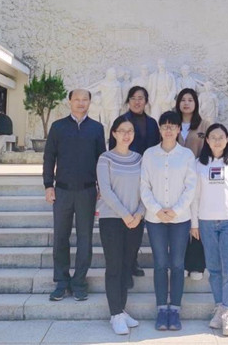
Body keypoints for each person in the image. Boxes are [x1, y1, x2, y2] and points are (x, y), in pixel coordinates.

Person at [42, 89, 106, 302]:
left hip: (87, 191)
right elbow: (49, 157)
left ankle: (79, 282)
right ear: (69, 101)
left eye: (84, 99)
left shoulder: (96, 128)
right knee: (61, 236)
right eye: (76, 99)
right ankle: (61, 282)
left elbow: (101, 159)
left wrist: (101, 186)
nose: (80, 103)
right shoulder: (58, 127)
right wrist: (48, 185)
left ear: (89, 102)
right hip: (62, 191)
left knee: (85, 238)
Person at [140, 111, 197, 331]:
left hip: (180, 219)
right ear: (159, 129)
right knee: (161, 264)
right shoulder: (149, 154)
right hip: (155, 219)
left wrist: (175, 210)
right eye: (164, 126)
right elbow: (144, 186)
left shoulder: (186, 155)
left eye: (172, 126)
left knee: (177, 264)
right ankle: (162, 309)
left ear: (178, 129)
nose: (168, 130)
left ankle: (175, 310)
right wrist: (157, 210)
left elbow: (190, 187)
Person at [190, 124, 228, 337]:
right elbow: (195, 196)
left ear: (227, 140)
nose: (217, 141)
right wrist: (194, 223)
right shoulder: (199, 164)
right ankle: (219, 307)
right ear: (207, 140)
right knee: (214, 268)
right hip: (206, 222)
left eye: (221, 137)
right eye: (212, 137)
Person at [96, 117, 145, 335]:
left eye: (130, 131)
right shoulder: (105, 158)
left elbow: (146, 189)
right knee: (114, 266)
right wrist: (125, 215)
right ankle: (115, 314)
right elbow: (106, 191)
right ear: (114, 133)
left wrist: (139, 214)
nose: (126, 134)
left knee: (126, 266)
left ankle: (121, 310)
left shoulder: (139, 159)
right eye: (122, 130)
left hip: (135, 220)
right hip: (112, 220)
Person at [108, 85, 160, 278]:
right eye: (133, 98)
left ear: (146, 101)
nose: (137, 101)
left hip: (145, 175)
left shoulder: (152, 123)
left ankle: (132, 262)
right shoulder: (121, 122)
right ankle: (124, 265)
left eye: (141, 98)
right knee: (125, 219)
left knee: (138, 221)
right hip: (124, 176)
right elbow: (112, 149)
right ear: (128, 101)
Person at [174, 88, 210, 281]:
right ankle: (180, 263)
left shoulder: (204, 125)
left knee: (196, 220)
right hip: (175, 180)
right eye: (183, 100)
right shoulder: (172, 123)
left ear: (196, 103)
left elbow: (210, 150)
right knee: (180, 222)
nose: (186, 103)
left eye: (190, 100)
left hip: (198, 179)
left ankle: (196, 265)